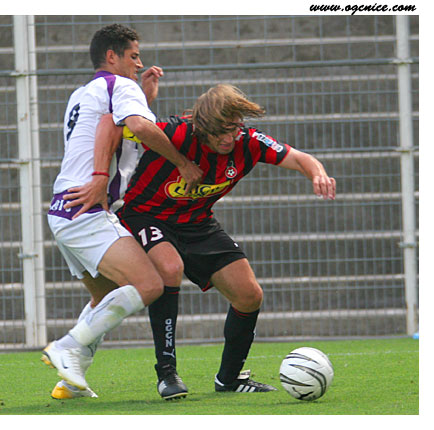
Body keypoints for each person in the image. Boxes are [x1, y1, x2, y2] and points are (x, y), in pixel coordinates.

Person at [61, 84, 336, 400]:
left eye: (233, 129)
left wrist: (317, 173)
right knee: (169, 268)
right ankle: (167, 374)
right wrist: (99, 177)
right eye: (219, 132)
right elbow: (112, 124)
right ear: (201, 126)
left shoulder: (249, 142)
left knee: (249, 295)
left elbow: (300, 158)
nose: (227, 139)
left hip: (198, 223)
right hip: (146, 216)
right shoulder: (176, 133)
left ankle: (229, 379)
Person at [42, 23, 203, 398]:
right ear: (112, 56)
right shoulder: (120, 87)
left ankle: (71, 381)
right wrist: (183, 163)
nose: (139, 63)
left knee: (106, 295)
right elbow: (131, 128)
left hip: (64, 207)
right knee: (149, 284)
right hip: (88, 208)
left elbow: (116, 126)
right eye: (134, 55)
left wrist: (143, 97)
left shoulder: (82, 93)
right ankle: (66, 347)